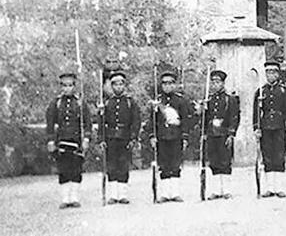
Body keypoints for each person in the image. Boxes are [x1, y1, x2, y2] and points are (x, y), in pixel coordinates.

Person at [144, 67, 192, 203]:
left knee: (175, 164)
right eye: (164, 83)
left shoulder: (181, 101)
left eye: (170, 83)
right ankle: (165, 193)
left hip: (176, 136)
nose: (167, 86)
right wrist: (152, 136)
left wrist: (185, 137)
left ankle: (175, 193)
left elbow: (186, 120)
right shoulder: (157, 101)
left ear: (175, 84)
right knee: (164, 164)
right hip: (162, 137)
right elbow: (152, 121)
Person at [45, 70, 91, 209]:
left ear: (74, 86)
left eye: (70, 85)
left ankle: (75, 198)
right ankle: (65, 198)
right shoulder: (56, 103)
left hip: (76, 140)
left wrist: (86, 138)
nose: (67, 88)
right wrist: (50, 140)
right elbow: (50, 123)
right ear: (61, 86)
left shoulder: (80, 103)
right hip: (62, 140)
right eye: (64, 85)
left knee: (76, 169)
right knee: (63, 169)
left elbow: (87, 123)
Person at [98, 70, 141, 204]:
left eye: (121, 84)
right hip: (110, 138)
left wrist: (133, 137)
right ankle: (113, 195)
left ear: (124, 85)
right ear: (112, 86)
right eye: (115, 85)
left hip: (124, 137)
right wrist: (101, 139)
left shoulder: (130, 102)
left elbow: (136, 121)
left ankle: (122, 194)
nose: (118, 87)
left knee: (123, 165)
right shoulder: (107, 103)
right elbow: (101, 123)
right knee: (111, 166)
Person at [253, 61, 286, 198]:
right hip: (265, 127)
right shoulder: (261, 91)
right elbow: (256, 113)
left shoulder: (284, 91)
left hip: (279, 126)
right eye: (268, 73)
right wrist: (256, 128)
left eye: (272, 72)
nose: (270, 75)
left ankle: (279, 187)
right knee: (267, 155)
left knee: (279, 155)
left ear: (277, 74)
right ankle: (270, 187)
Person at [202, 69, 240, 200]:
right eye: (213, 82)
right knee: (214, 161)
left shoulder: (230, 99)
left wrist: (231, 134)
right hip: (212, 133)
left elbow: (234, 117)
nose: (215, 85)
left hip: (224, 133)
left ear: (223, 83)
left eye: (217, 82)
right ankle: (217, 190)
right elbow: (205, 119)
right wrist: (203, 110)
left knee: (225, 160)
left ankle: (226, 190)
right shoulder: (209, 100)